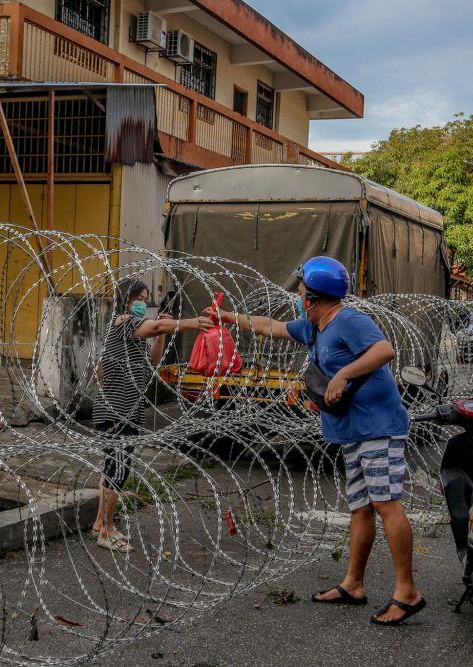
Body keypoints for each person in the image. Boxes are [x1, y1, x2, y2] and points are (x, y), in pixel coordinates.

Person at [210, 256, 425, 625]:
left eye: (301, 290)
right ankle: (353, 584)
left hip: (378, 427)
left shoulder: (348, 321)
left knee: (387, 504)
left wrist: (344, 373)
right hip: (353, 430)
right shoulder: (315, 327)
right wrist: (229, 318)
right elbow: (271, 327)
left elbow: (383, 351)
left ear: (313, 296)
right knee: (361, 507)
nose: (297, 295)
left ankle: (407, 590)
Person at [91, 277, 212, 553]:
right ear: (126, 299)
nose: (144, 304)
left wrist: (162, 334)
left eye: (147, 300)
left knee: (113, 467)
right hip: (116, 410)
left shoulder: (132, 334)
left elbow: (153, 361)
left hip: (127, 409)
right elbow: (154, 324)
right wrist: (191, 323)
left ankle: (100, 523)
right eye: (141, 299)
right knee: (117, 470)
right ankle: (107, 533)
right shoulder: (123, 322)